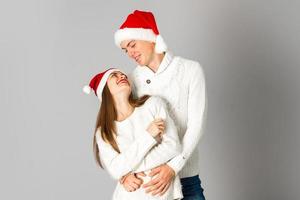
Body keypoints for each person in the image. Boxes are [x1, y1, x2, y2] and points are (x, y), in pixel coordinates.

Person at [114, 10, 207, 200]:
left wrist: (173, 167)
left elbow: (197, 124)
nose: (130, 53)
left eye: (132, 45)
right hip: (148, 185)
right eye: (125, 50)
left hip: (185, 177)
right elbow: (120, 130)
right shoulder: (131, 81)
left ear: (150, 38)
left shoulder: (190, 70)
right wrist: (123, 174)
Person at [83, 68, 184, 200]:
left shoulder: (152, 104)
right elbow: (115, 169)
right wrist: (148, 136)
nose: (121, 76)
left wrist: (128, 170)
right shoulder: (104, 132)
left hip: (164, 195)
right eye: (114, 75)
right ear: (104, 90)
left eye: (123, 74)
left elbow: (173, 146)